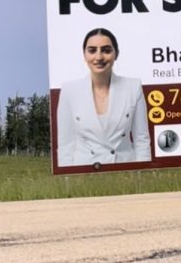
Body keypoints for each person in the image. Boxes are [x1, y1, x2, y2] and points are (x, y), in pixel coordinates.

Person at [56, 28, 151, 167]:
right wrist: (67, 177)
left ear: (116, 54)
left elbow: (141, 140)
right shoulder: (69, 90)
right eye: (92, 50)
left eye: (106, 50)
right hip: (84, 172)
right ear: (84, 55)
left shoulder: (133, 87)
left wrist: (143, 174)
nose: (99, 57)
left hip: (124, 170)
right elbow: (65, 145)